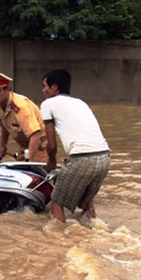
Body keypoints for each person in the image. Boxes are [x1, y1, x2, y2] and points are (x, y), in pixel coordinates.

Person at [40, 68, 110, 223]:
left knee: (56, 202)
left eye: (45, 86)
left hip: (82, 158)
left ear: (55, 87)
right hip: (104, 157)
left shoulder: (48, 104)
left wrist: (51, 161)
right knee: (86, 202)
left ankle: (59, 240)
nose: (43, 90)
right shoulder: (80, 103)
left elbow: (51, 144)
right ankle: (93, 230)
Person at [0, 70, 47, 162]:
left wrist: (30, 162)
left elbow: (35, 135)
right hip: (24, 146)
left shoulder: (20, 107)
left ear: (7, 90)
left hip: (39, 147)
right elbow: (5, 127)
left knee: (34, 173)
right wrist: (3, 146)